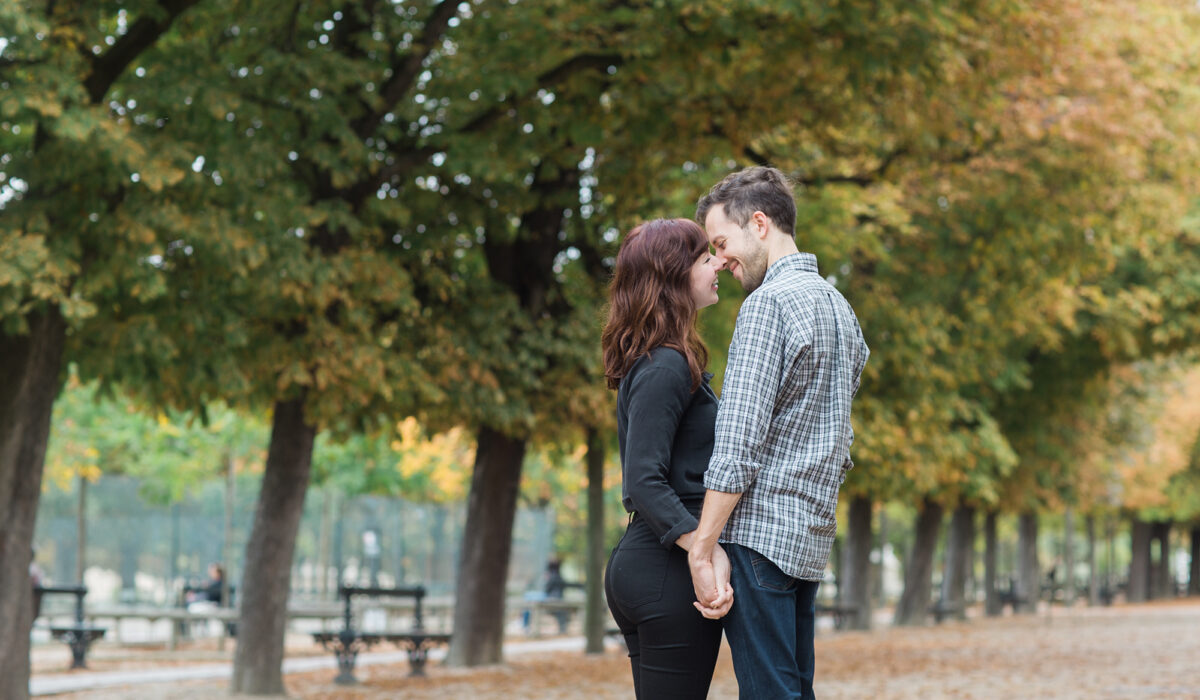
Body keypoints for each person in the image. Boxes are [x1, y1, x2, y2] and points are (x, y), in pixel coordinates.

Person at [687, 166, 870, 699]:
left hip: (759, 540)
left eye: (721, 242)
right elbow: (841, 436)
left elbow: (738, 445)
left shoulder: (767, 306)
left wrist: (702, 547)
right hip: (808, 542)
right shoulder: (840, 309)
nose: (720, 260)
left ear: (760, 224)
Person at [601, 218, 733, 699]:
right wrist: (704, 551)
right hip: (667, 572)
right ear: (676, 274)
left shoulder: (663, 359)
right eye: (705, 258)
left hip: (653, 566)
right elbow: (643, 481)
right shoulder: (666, 365)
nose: (718, 263)